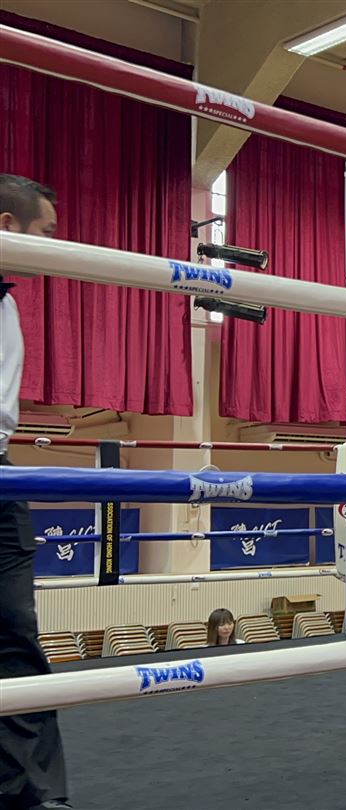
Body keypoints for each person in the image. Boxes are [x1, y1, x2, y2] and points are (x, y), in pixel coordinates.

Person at [0, 174, 70, 810]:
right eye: (44, 232)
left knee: (18, 630)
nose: (52, 246)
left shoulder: (9, 304)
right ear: (7, 226)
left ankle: (33, 795)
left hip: (2, 473)